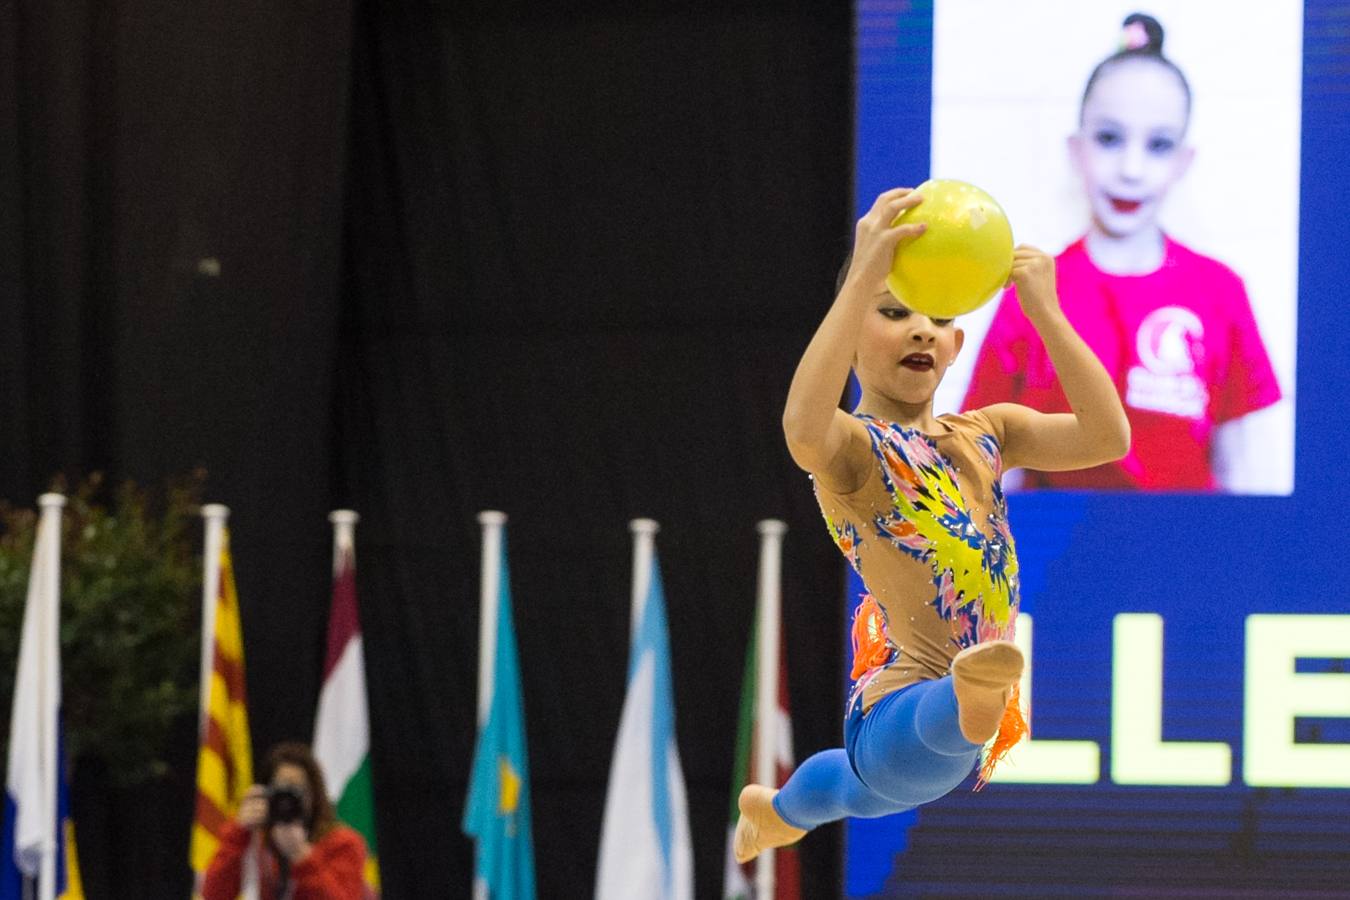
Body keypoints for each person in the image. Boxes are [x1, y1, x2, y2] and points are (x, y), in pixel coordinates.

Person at [733, 185, 1130, 861]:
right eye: (892, 311)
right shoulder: (855, 451)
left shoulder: (989, 431)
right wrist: (860, 273)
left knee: (859, 792)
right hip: (906, 704)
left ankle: (775, 816)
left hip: (904, 726)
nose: (920, 328)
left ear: (955, 343)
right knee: (900, 762)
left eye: (937, 318)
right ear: (851, 327)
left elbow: (1107, 437)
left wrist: (1048, 314)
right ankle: (968, 697)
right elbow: (801, 427)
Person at [961, 12, 1281, 492]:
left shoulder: (1221, 292)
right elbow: (984, 468)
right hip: (1057, 556)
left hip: (1183, 557)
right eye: (1110, 138)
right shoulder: (1031, 290)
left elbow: (1243, 473)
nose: (1131, 168)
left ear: (1183, 161)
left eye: (1158, 144)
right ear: (1076, 149)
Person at [202, 742, 369, 900]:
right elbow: (214, 895)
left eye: (297, 790)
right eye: (281, 789)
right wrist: (238, 833)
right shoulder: (255, 838)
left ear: (314, 795)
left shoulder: (342, 843)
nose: (286, 801)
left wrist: (302, 856)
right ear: (265, 792)